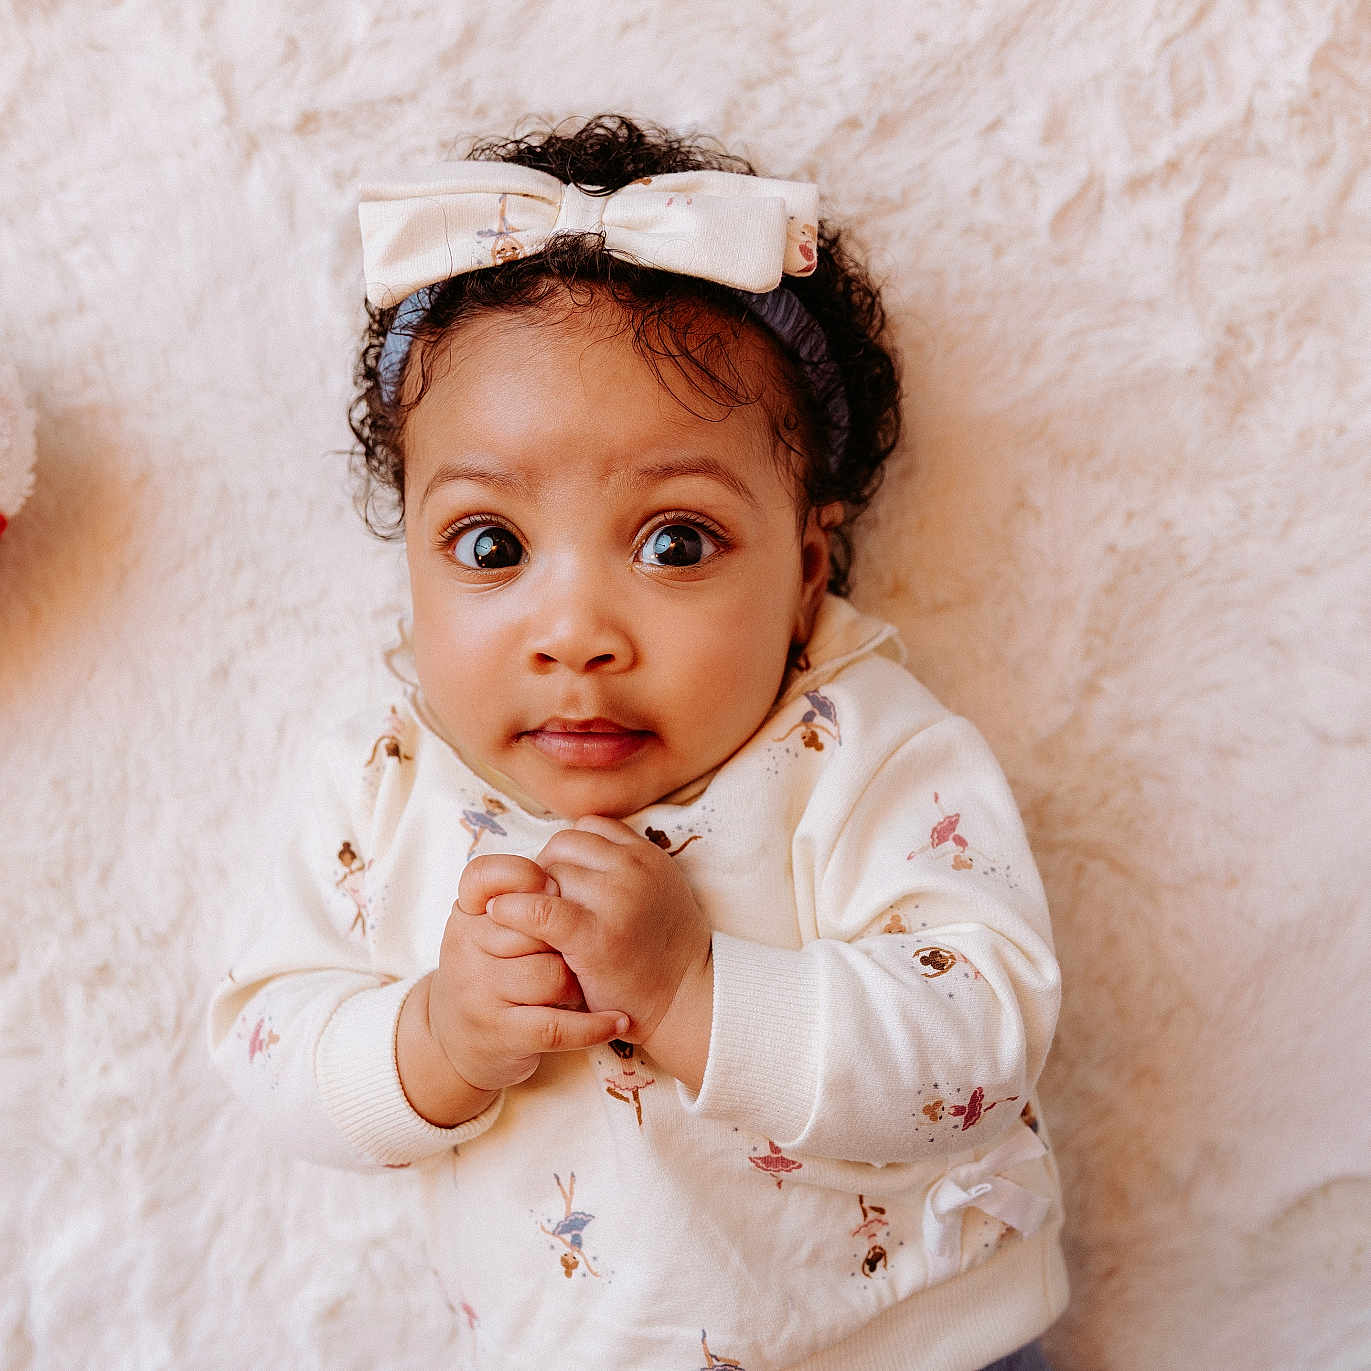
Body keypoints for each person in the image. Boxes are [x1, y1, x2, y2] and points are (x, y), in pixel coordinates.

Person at [209, 114, 1067, 1371]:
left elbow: (984, 1035)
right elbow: (265, 1036)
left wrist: (696, 992)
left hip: (911, 1346)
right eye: (492, 547)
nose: (575, 634)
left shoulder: (856, 744)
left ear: (807, 574)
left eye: (676, 543)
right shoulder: (384, 774)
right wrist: (435, 1040)